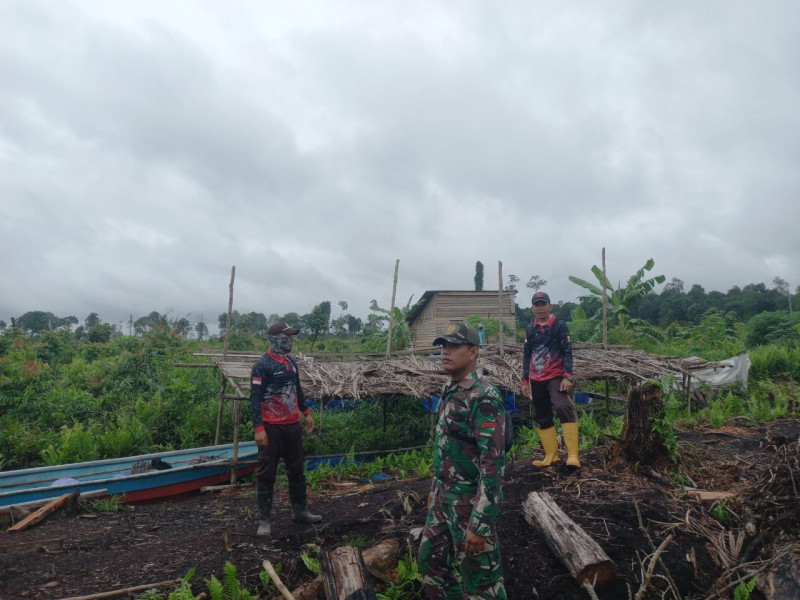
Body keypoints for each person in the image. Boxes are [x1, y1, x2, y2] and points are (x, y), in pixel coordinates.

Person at [418, 322, 507, 599]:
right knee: (430, 563)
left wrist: (480, 524)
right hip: (443, 501)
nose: (445, 351)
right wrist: (434, 494)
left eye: (453, 346)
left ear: (473, 352)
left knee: (482, 582)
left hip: (469, 505)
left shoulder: (482, 397)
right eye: (442, 345)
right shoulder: (451, 389)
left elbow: (492, 464)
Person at [248, 321, 322, 536]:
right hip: (271, 427)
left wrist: (306, 413)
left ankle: (300, 511)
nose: (289, 341)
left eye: (290, 338)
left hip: (292, 425)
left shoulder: (291, 362)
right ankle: (264, 520)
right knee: (267, 472)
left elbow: (297, 389)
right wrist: (258, 428)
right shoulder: (262, 366)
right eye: (284, 337)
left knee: (297, 469)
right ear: (272, 339)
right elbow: (254, 399)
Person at [520, 291, 580, 468]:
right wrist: (524, 380)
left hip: (555, 375)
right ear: (532, 308)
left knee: (563, 406)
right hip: (535, 378)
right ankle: (551, 455)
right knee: (542, 414)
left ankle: (573, 455)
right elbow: (526, 355)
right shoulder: (530, 329)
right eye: (536, 305)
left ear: (550, 306)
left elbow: (567, 351)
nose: (540, 308)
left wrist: (567, 376)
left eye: (543, 304)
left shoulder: (559, 326)